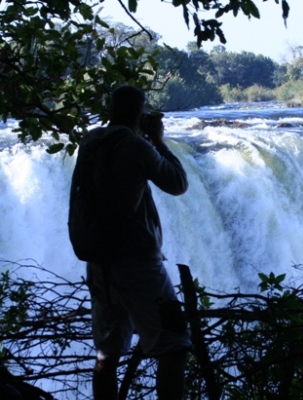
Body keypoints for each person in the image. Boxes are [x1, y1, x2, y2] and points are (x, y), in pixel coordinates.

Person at [80, 85, 191, 399]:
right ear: (139, 112)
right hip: (137, 264)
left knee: (107, 354)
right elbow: (178, 183)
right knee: (175, 345)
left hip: (100, 263)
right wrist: (157, 140)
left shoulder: (90, 142)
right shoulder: (135, 146)